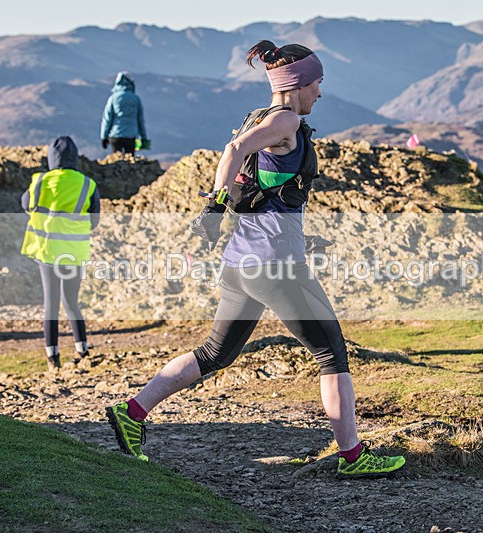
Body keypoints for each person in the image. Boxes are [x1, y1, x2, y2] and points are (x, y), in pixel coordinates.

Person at [106, 41, 405, 478]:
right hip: (273, 267)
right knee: (332, 355)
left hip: (242, 263)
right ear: (299, 84)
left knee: (214, 352)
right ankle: (354, 458)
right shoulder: (284, 120)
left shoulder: (261, 117)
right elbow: (233, 153)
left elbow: (267, 194)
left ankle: (133, 411)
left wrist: (298, 238)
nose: (320, 93)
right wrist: (213, 207)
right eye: (318, 83)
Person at [21, 136, 100, 370]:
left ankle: (52, 357)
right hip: (75, 252)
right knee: (72, 302)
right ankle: (82, 349)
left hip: (47, 250)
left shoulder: (40, 181)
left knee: (51, 303)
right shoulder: (87, 184)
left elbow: (25, 205)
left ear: (51, 158)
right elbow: (94, 221)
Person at [100, 72, 149, 155]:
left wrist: (103, 137)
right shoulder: (136, 99)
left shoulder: (113, 98)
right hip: (131, 136)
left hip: (115, 136)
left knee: (117, 162)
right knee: (130, 162)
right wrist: (143, 138)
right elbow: (140, 120)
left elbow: (107, 119)